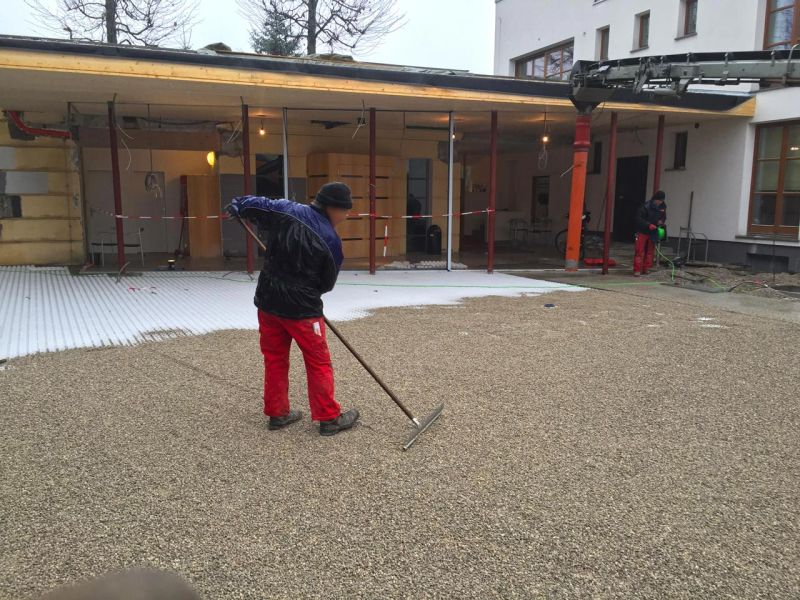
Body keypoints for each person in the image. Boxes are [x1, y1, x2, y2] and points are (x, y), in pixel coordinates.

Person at [226, 182, 359, 437]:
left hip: (268, 303)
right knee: (318, 362)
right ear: (333, 208)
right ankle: (329, 418)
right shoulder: (331, 241)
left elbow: (256, 204)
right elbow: (326, 284)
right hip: (303, 312)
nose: (346, 216)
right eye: (345, 211)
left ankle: (278, 413)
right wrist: (303, 290)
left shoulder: (285, 209)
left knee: (275, 358)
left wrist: (239, 206)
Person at [633, 190, 667, 276]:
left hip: (653, 231)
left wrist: (661, 221)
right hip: (642, 230)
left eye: (662, 201)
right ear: (655, 199)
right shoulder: (645, 207)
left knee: (650, 251)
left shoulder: (663, 206)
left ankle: (646, 268)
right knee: (639, 251)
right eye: (659, 200)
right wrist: (648, 225)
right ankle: (637, 270)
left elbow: (664, 216)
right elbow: (638, 219)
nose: (660, 202)